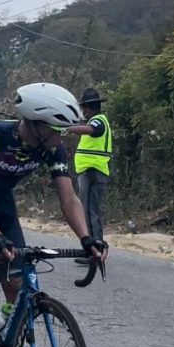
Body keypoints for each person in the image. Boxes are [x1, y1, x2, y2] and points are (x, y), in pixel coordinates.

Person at [0, 82, 109, 346]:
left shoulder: (52, 148)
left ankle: (2, 330)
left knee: (17, 280)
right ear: (36, 124)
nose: (61, 138)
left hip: (1, 202)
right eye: (57, 130)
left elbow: (68, 198)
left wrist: (86, 238)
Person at [67, 88, 112, 265]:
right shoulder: (97, 120)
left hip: (93, 172)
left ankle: (95, 252)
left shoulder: (98, 121)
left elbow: (92, 130)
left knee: (89, 212)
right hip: (91, 172)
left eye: (84, 108)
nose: (83, 112)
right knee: (89, 211)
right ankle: (94, 250)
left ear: (89, 107)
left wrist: (68, 128)